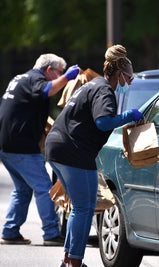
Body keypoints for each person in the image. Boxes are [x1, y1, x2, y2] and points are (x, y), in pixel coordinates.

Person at [45, 44, 143, 267]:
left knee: (78, 207)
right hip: (73, 151)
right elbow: (103, 122)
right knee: (84, 207)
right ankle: (75, 262)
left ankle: (68, 259)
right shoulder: (104, 90)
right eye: (128, 77)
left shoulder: (93, 84)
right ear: (118, 73)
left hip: (58, 148)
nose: (128, 82)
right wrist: (129, 115)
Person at [0, 54, 80, 246]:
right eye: (59, 72)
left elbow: (3, 105)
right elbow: (47, 90)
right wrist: (68, 77)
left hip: (4, 143)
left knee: (22, 190)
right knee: (44, 188)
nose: (60, 77)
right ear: (49, 70)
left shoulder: (20, 79)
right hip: (20, 145)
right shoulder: (36, 79)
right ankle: (51, 233)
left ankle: (10, 232)